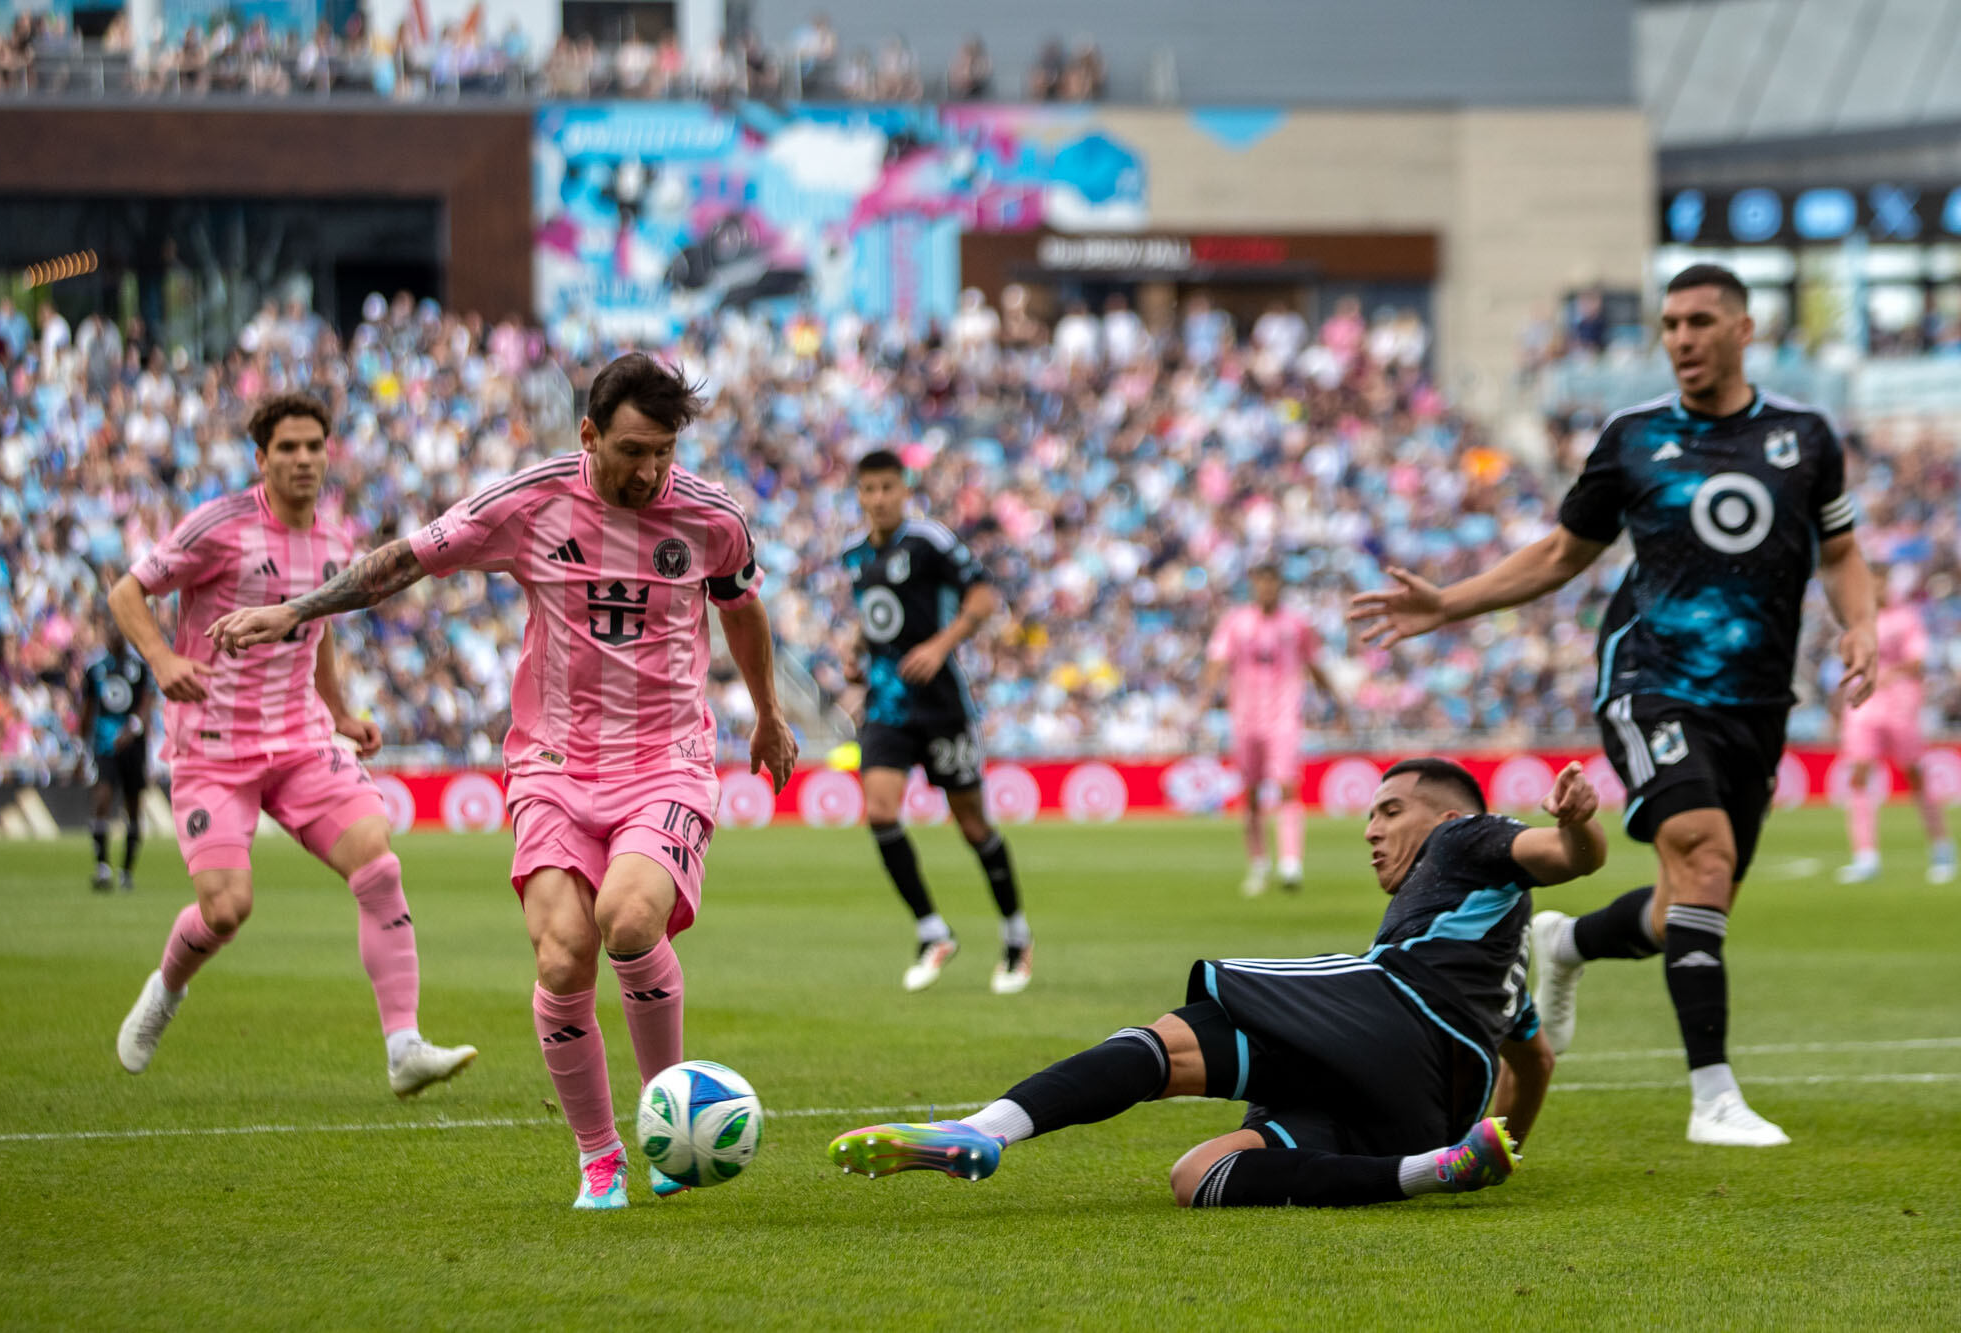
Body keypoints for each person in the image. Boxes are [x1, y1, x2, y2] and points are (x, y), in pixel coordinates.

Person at [207, 354, 798, 1211]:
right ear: (588, 434)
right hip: (553, 765)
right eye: (632, 450)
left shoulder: (713, 518)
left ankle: (670, 1116)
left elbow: (741, 609)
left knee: (630, 918)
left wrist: (768, 711)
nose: (649, 472)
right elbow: (405, 560)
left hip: (664, 760)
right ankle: (599, 1158)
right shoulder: (527, 503)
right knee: (562, 954)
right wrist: (295, 611)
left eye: (664, 452)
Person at [1350, 263, 1877, 1147]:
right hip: (1652, 681)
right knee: (1703, 853)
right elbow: (1562, 554)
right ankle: (1713, 1096)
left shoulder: (1804, 436)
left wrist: (1861, 624)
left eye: (1700, 321)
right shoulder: (1634, 438)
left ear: (1744, 330)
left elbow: (1843, 551)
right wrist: (1448, 603)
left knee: (1688, 905)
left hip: (1756, 703)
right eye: (1670, 324)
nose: (1682, 339)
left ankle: (1565, 944)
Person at [829, 758, 1593, 1209]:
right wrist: (1495, 1147)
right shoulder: (1496, 974)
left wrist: (1577, 825)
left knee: (1174, 1039)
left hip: (1394, 1014)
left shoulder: (1464, 836)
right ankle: (1429, 1174)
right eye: (1370, 814)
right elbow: (1536, 1061)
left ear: (1451, 815)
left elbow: (1567, 856)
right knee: (1199, 1176)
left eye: (1390, 811)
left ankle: (984, 1128)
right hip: (1421, 1115)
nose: (1371, 829)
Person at [107, 392, 478, 1099]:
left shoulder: (335, 540)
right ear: (261, 458)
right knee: (226, 909)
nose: (304, 459)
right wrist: (162, 659)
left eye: (314, 446)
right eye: (288, 448)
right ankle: (166, 989)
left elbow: (319, 624)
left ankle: (404, 1047)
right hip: (214, 747)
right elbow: (127, 592)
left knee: (378, 861)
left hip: (301, 740)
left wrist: (337, 710)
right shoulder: (219, 527)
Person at [841, 449, 1032, 995]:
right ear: (860, 494)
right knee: (880, 812)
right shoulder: (854, 555)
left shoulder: (929, 540)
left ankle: (1016, 936)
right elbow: (877, 617)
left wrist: (939, 645)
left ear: (905, 490)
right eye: (869, 489)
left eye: (888, 488)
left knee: (972, 826)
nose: (879, 498)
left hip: (941, 704)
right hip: (885, 707)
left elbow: (984, 595)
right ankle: (932, 931)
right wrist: (856, 649)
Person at [1205, 562, 1341, 895]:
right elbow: (1217, 662)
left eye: (1272, 583)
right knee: (1251, 794)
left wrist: (1335, 699)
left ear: (1280, 585)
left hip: (1284, 718)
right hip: (1245, 718)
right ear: (1254, 585)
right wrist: (1205, 698)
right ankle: (1258, 863)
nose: (1266, 589)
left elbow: (1314, 663)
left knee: (1287, 787)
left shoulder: (1296, 624)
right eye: (1261, 583)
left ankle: (1291, 863)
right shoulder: (1236, 622)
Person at [1836, 569, 1954, 884]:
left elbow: (1919, 659)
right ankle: (1865, 856)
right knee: (1859, 774)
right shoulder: (1859, 620)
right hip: (1863, 705)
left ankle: (1941, 847)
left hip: (1900, 705)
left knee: (1915, 775)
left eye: (1878, 583)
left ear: (1887, 585)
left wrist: (1890, 671)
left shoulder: (1907, 617)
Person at [79, 624, 153, 892]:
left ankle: (126, 871)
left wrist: (133, 729)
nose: (114, 637)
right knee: (102, 799)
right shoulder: (95, 669)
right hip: (105, 745)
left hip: (133, 747)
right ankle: (102, 867)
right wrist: (80, 748)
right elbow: (87, 710)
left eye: (118, 632)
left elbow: (146, 704)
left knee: (133, 807)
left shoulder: (138, 667)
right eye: (110, 633)